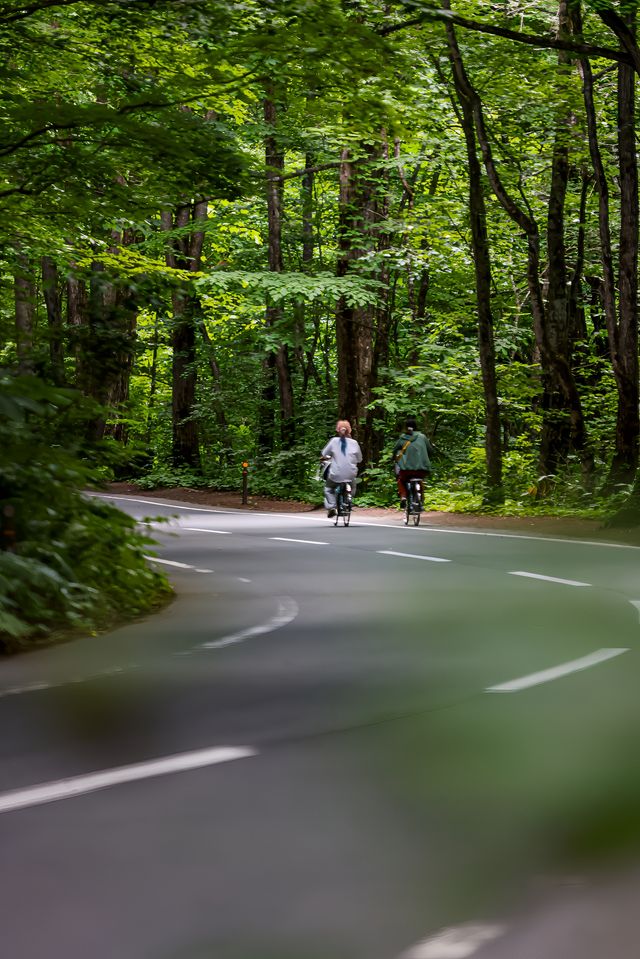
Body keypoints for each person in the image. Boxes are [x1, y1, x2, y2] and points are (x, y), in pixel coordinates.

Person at [320, 420, 362, 518]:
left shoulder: (334, 441)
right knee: (353, 486)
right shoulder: (354, 443)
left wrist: (329, 456)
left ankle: (332, 507)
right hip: (351, 474)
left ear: (337, 430)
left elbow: (324, 453)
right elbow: (359, 459)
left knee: (328, 489)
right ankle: (348, 499)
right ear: (349, 431)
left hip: (336, 474)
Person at [393, 416, 433, 508]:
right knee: (420, 479)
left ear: (405, 427)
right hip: (422, 469)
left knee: (401, 480)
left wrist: (394, 458)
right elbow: (430, 450)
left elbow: (395, 450)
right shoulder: (422, 437)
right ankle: (421, 499)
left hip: (406, 470)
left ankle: (403, 496)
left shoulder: (402, 438)